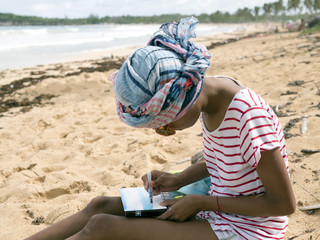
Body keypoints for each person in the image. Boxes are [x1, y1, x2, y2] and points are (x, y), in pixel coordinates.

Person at [25, 17, 295, 240]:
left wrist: (204, 203)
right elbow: (228, 160)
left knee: (102, 227)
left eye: (165, 124)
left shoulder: (249, 117)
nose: (165, 131)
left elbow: (284, 204)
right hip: (220, 207)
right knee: (100, 206)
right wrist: (179, 179)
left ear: (184, 99)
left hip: (248, 229)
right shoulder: (211, 95)